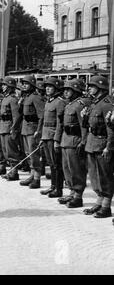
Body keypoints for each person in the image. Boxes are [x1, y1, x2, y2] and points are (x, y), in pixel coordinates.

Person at [82, 76, 114, 218]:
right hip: (92, 143)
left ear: (100, 88)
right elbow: (89, 124)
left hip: (102, 144)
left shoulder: (106, 103)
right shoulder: (95, 103)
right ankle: (99, 201)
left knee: (105, 175)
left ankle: (106, 206)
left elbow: (111, 129)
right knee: (94, 175)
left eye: (92, 86)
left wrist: (109, 146)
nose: (89, 88)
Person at [58, 79, 89, 208]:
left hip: (75, 141)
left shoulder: (79, 105)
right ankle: (71, 191)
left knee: (76, 169)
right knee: (67, 168)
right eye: (64, 89)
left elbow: (84, 126)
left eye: (68, 89)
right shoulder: (68, 104)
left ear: (76, 91)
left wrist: (83, 142)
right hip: (66, 140)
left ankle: (78, 195)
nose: (65, 92)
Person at [40, 77, 67, 198]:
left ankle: (58, 189)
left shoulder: (60, 102)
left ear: (56, 89)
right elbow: (45, 120)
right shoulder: (48, 101)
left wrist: (56, 139)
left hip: (53, 136)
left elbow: (60, 122)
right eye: (46, 86)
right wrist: (42, 136)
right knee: (51, 163)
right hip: (46, 136)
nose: (47, 88)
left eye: (50, 87)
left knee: (57, 164)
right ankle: (53, 186)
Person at [19, 75, 45, 189]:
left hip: (33, 128)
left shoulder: (36, 97)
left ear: (32, 85)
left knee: (34, 154)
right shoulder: (26, 97)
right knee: (27, 152)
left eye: (27, 83)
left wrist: (38, 131)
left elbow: (41, 116)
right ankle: (32, 174)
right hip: (25, 128)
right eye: (23, 83)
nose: (24, 85)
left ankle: (37, 178)